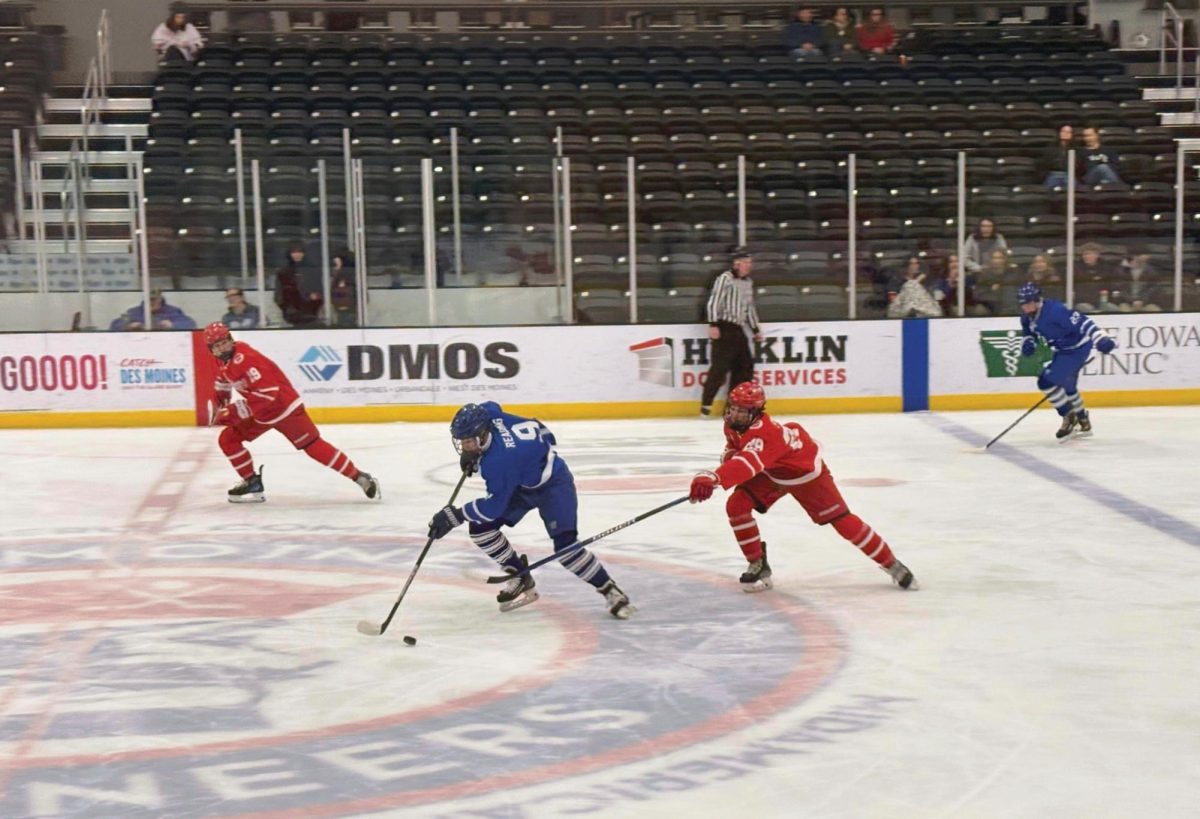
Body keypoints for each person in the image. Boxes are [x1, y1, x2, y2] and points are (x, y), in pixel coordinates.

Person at [688, 382, 917, 592]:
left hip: (806, 475)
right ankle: (757, 563)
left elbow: (747, 463)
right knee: (737, 504)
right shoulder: (732, 424)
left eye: (742, 410)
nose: (735, 413)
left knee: (842, 521)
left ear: (756, 411)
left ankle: (891, 563)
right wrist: (725, 462)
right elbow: (736, 450)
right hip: (773, 470)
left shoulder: (766, 432)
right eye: (733, 407)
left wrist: (713, 477)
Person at [426, 402, 635, 619]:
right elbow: (492, 405)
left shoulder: (500, 462)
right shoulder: (487, 415)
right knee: (481, 530)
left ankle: (610, 590)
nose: (464, 445)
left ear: (482, 433)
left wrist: (456, 516)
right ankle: (519, 574)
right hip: (524, 481)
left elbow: (493, 507)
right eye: (462, 441)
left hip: (553, 485)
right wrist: (474, 455)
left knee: (567, 549)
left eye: (468, 441)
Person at [203, 321, 380, 502]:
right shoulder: (222, 361)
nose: (223, 347)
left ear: (231, 339)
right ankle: (251, 482)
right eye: (217, 346)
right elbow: (222, 382)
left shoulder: (246, 358)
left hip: (284, 408)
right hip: (262, 414)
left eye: (224, 342)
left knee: (312, 445)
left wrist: (233, 411)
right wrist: (220, 403)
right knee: (228, 439)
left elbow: (268, 394)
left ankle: (358, 476)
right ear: (212, 350)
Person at [1017, 282, 1117, 440]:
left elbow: (1084, 322)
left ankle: (1068, 416)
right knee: (1068, 386)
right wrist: (1029, 342)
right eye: (1023, 304)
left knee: (1045, 382)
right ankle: (1083, 421)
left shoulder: (1055, 311)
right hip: (1062, 350)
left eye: (1029, 303)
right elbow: (1029, 332)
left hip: (1077, 349)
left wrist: (1101, 338)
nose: (1026, 308)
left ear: (1037, 301)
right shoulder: (1027, 318)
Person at [700, 246, 762, 417]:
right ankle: (706, 406)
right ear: (737, 263)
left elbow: (749, 308)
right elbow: (714, 302)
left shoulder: (748, 282)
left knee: (745, 367)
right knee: (719, 369)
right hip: (724, 327)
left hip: (738, 329)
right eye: (746, 262)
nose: (749, 265)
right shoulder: (725, 279)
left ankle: (733, 406)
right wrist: (713, 324)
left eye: (750, 262)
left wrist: (755, 328)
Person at [274, 245, 324, 327]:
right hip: (291, 312)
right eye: (294, 252)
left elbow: (319, 289)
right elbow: (278, 294)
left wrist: (315, 301)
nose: (297, 255)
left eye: (299, 252)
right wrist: (285, 307)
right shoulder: (283, 271)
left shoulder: (312, 270)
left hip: (310, 311)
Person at [109, 288, 196, 331]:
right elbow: (115, 325)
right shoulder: (134, 312)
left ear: (160, 298)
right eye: (149, 299)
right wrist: (128, 326)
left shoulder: (172, 311)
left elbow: (189, 324)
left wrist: (172, 325)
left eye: (154, 299)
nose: (151, 302)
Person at [1040, 124, 1075, 189]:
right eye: (1063, 131)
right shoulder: (1051, 148)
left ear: (1072, 135)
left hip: (1068, 174)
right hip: (1053, 174)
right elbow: (1045, 164)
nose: (1065, 134)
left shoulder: (1075, 149)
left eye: (1068, 132)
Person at [330, 251, 358, 327]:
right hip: (344, 308)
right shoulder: (341, 275)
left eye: (337, 263)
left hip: (346, 308)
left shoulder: (345, 276)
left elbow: (338, 292)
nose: (335, 266)